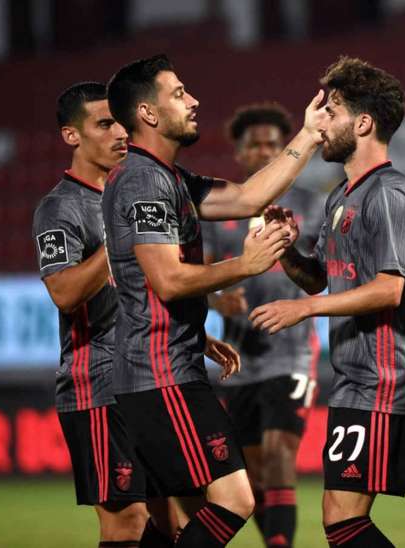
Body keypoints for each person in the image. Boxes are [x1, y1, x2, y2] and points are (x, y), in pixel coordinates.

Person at [101, 54, 325, 547]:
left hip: (166, 368)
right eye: (179, 93)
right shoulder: (142, 181)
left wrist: (307, 136)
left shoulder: (171, 178)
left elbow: (247, 198)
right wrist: (244, 266)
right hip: (161, 377)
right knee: (235, 499)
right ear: (149, 114)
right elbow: (166, 279)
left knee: (165, 522)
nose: (194, 100)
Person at [250, 56, 405, 548]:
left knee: (344, 520)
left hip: (386, 375)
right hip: (356, 376)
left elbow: (388, 289)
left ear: (364, 123)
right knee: (339, 518)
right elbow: (317, 280)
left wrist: (303, 311)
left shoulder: (392, 194)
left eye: (331, 111)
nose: (319, 123)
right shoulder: (340, 198)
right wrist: (285, 250)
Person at [32, 81, 171, 547]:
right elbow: (66, 293)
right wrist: (117, 240)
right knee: (126, 522)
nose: (119, 134)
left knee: (169, 517)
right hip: (97, 386)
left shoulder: (127, 194)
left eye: (120, 122)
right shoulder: (59, 208)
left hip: (147, 379)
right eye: (104, 123)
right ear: (72, 136)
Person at [203, 102, 325, 548]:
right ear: (238, 152)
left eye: (271, 144)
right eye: (253, 145)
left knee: (278, 454)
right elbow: (197, 279)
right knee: (251, 473)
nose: (262, 152)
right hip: (238, 360)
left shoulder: (311, 205)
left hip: (290, 352)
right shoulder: (220, 211)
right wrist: (218, 298)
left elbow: (323, 271)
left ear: (284, 148)